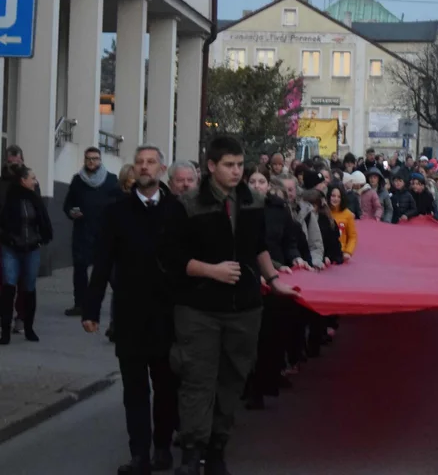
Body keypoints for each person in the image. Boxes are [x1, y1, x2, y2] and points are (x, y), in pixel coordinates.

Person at [163, 136, 299, 474]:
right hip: (198, 307)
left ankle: (217, 449)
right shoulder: (188, 203)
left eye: (240, 165)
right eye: (229, 165)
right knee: (198, 379)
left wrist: (273, 280)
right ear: (211, 166)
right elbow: (171, 257)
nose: (236, 171)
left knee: (232, 380)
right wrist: (212, 271)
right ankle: (193, 453)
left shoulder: (253, 201)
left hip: (244, 308)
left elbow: (259, 246)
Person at [82, 145, 177, 475]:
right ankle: (140, 455)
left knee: (166, 386)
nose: (145, 167)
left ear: (162, 169)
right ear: (133, 170)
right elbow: (104, 261)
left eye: (151, 162)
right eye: (140, 162)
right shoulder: (117, 212)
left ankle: (163, 446)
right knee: (135, 389)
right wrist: (91, 310)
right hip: (130, 313)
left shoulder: (176, 211)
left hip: (167, 315)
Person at [62, 146, 120, 318]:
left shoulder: (111, 180)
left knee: (109, 271)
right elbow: (68, 204)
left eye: (95, 158)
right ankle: (80, 304)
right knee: (80, 269)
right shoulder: (77, 180)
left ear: (100, 160)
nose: (91, 162)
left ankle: (120, 303)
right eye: (88, 159)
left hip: (104, 233)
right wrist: (72, 212)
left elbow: (118, 204)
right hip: (83, 231)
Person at [0, 165, 52, 344]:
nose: (35, 181)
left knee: (29, 288)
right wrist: (9, 239)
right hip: (11, 248)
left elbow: (42, 221)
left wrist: (40, 238)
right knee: (8, 286)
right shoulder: (9, 198)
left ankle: (29, 328)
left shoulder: (34, 198)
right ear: (23, 180)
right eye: (32, 178)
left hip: (31, 249)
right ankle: (5, 330)